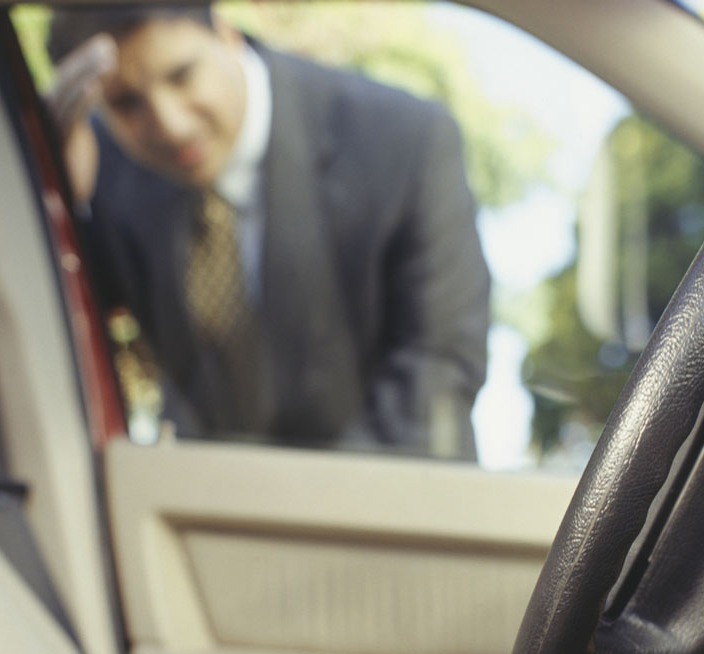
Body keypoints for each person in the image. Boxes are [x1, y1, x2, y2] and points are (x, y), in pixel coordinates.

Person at [45, 7, 490, 459]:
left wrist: (302, 511)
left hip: (388, 502)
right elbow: (66, 333)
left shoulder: (403, 139)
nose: (170, 125)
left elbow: (438, 368)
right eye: (126, 103)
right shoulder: (104, 164)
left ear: (225, 34)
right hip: (200, 510)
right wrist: (59, 196)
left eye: (181, 76)